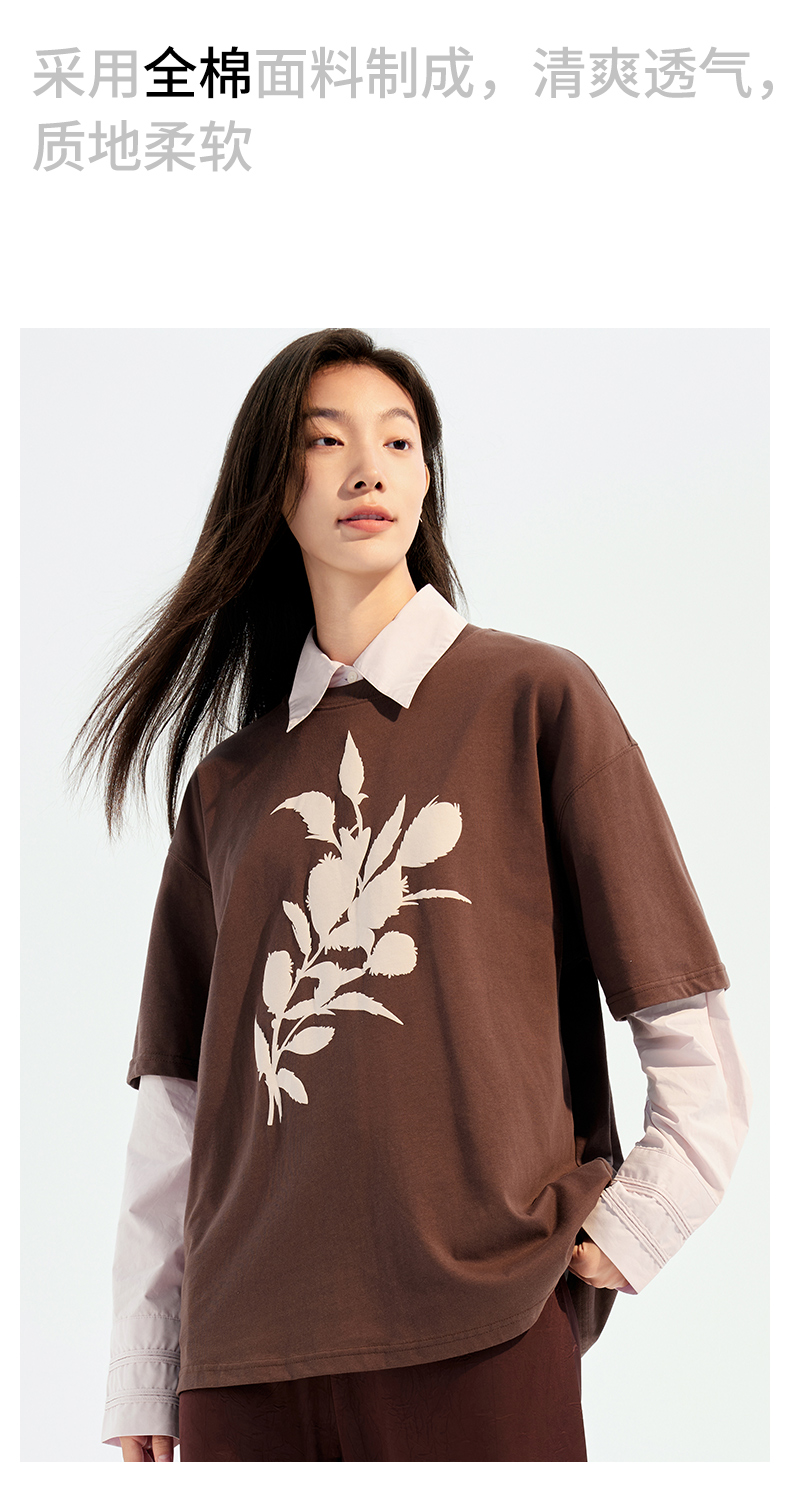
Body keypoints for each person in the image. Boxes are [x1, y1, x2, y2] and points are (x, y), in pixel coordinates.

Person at [74, 329, 750, 1462]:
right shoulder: (228, 786)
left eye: (397, 442)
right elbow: (178, 1104)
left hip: (482, 1333)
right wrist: (145, 1366)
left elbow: (679, 1005)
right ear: (272, 487)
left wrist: (641, 1224)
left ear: (427, 479)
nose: (366, 468)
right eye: (324, 441)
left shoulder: (534, 697)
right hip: (243, 1364)